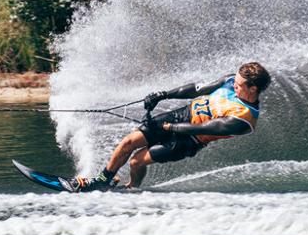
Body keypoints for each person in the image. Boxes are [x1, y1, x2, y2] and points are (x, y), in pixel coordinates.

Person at [70, 62, 271, 191]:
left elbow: (204, 128)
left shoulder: (244, 119)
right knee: (128, 142)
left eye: (238, 85)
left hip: (188, 140)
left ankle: (131, 189)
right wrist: (163, 95)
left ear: (252, 89)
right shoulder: (229, 81)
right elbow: (197, 89)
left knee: (136, 162)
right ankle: (102, 180)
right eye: (234, 81)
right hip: (181, 115)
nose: (233, 85)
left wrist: (170, 128)